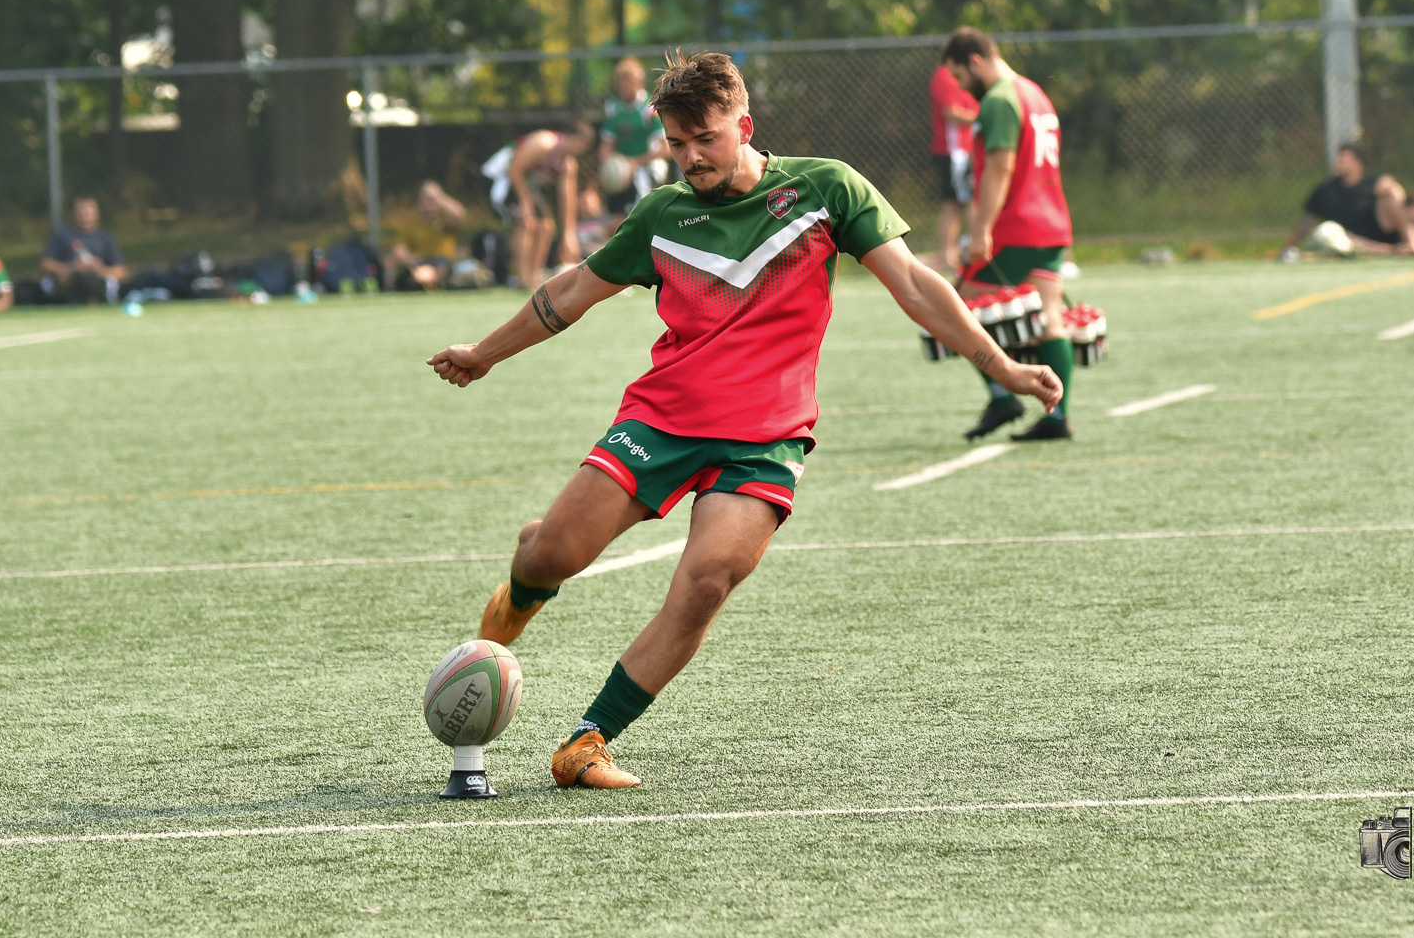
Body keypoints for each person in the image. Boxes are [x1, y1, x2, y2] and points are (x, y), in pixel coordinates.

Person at [428, 51, 1060, 790]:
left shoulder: (825, 190)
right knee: (552, 557)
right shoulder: (663, 215)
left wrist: (1003, 368)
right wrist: (486, 353)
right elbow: (571, 291)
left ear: (744, 126)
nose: (690, 156)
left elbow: (917, 285)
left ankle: (588, 740)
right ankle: (522, 582)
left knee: (705, 583)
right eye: (676, 143)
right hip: (663, 419)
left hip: (766, 437)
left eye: (706, 138)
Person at [943, 27, 1078, 442]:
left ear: (976, 61)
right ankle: (1057, 417)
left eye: (960, 76)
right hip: (1051, 222)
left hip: (1014, 226)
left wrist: (981, 228)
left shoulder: (1000, 100)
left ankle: (1003, 394)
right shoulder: (1034, 92)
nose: (962, 88)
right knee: (1049, 320)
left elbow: (1001, 167)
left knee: (953, 308)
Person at [483, 120, 594, 290]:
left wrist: (568, 234)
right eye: (582, 144)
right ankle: (522, 279)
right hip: (502, 180)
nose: (581, 150)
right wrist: (525, 201)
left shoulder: (568, 164)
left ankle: (533, 279)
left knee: (547, 225)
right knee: (527, 223)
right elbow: (514, 169)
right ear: (571, 137)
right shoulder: (545, 142)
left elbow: (567, 199)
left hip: (526, 187)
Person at [1278, 143, 1414, 258]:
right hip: (1351, 240)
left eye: (1343, 158)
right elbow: (1305, 224)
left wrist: (1389, 183)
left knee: (1393, 190)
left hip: (1381, 230)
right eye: (1338, 158)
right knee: (1331, 234)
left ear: (1358, 164)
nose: (1338, 162)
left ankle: (1412, 244)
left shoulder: (1372, 183)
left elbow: (1392, 193)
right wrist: (1286, 248)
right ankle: (1394, 251)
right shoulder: (1325, 190)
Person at [599, 57, 669, 214]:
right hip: (622, 171)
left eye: (627, 82)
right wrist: (612, 166)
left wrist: (634, 163)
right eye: (620, 83)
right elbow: (606, 147)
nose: (623, 87)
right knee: (615, 216)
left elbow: (666, 149)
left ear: (638, 83)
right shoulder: (613, 109)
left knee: (636, 213)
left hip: (646, 168)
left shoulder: (649, 109)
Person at [928, 62, 980, 274]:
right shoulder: (945, 75)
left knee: (962, 201)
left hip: (964, 150)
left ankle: (954, 253)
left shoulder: (965, 77)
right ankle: (947, 255)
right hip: (953, 151)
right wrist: (982, 118)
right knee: (957, 202)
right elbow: (951, 111)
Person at [40, 194, 127, 303]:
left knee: (93, 281)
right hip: (70, 282)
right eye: (81, 214)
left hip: (97, 281)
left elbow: (121, 271)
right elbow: (45, 264)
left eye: (89, 214)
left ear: (96, 214)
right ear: (74, 214)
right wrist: (72, 268)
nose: (85, 217)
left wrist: (100, 269)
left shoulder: (106, 238)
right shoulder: (61, 235)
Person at [385, 180, 467, 291]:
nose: (428, 204)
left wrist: (440, 197)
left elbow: (459, 214)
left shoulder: (444, 219)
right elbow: (399, 250)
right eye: (424, 199)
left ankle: (426, 282)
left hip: (442, 263)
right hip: (420, 262)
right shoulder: (411, 224)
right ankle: (422, 281)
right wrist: (410, 260)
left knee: (435, 270)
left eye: (431, 200)